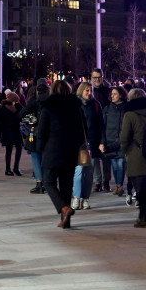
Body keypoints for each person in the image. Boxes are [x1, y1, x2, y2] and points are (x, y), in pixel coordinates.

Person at [37, 80, 85, 230]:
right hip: (70, 151)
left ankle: (64, 209)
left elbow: (42, 131)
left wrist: (39, 149)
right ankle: (66, 221)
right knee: (66, 185)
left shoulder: (48, 107)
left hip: (53, 150)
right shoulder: (76, 108)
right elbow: (81, 130)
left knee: (49, 182)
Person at [120, 88, 146, 228]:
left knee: (140, 189)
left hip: (136, 155)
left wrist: (125, 151)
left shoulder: (129, 115)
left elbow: (124, 138)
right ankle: (144, 217)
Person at [73, 82, 103, 209]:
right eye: (87, 90)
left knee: (89, 173)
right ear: (81, 91)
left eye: (91, 90)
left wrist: (102, 141)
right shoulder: (75, 105)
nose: (90, 93)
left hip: (93, 142)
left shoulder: (95, 105)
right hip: (79, 143)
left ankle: (85, 198)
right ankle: (76, 197)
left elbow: (101, 125)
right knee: (79, 172)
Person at [99, 85, 127, 197]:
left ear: (121, 95)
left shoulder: (125, 109)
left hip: (120, 141)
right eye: (112, 94)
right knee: (115, 165)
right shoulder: (107, 109)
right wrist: (102, 142)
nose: (112, 96)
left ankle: (119, 186)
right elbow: (102, 126)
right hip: (109, 141)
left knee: (120, 164)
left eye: (115, 94)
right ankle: (118, 185)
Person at [0, 91, 24, 176]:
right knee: (9, 150)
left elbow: (24, 114)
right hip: (8, 131)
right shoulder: (3, 108)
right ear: (13, 100)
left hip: (15, 130)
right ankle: (9, 169)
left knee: (18, 147)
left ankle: (15, 168)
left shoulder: (17, 107)